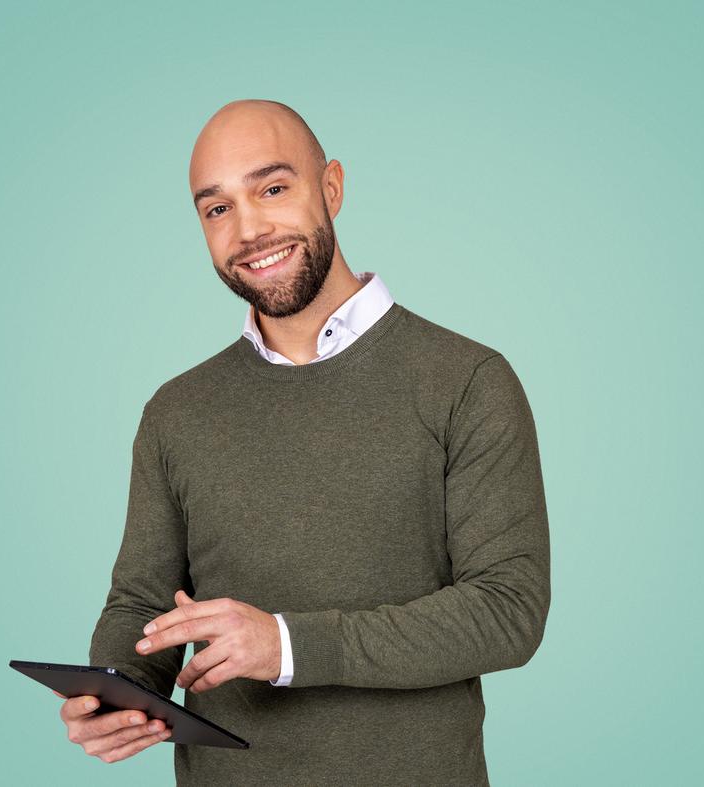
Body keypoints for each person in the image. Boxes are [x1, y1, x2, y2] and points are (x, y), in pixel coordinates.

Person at [53, 99, 552, 785]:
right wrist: (114, 686)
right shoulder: (176, 411)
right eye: (217, 209)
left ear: (333, 188)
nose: (250, 228)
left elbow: (506, 610)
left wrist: (287, 644)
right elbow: (144, 603)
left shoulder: (466, 380)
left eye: (273, 188)